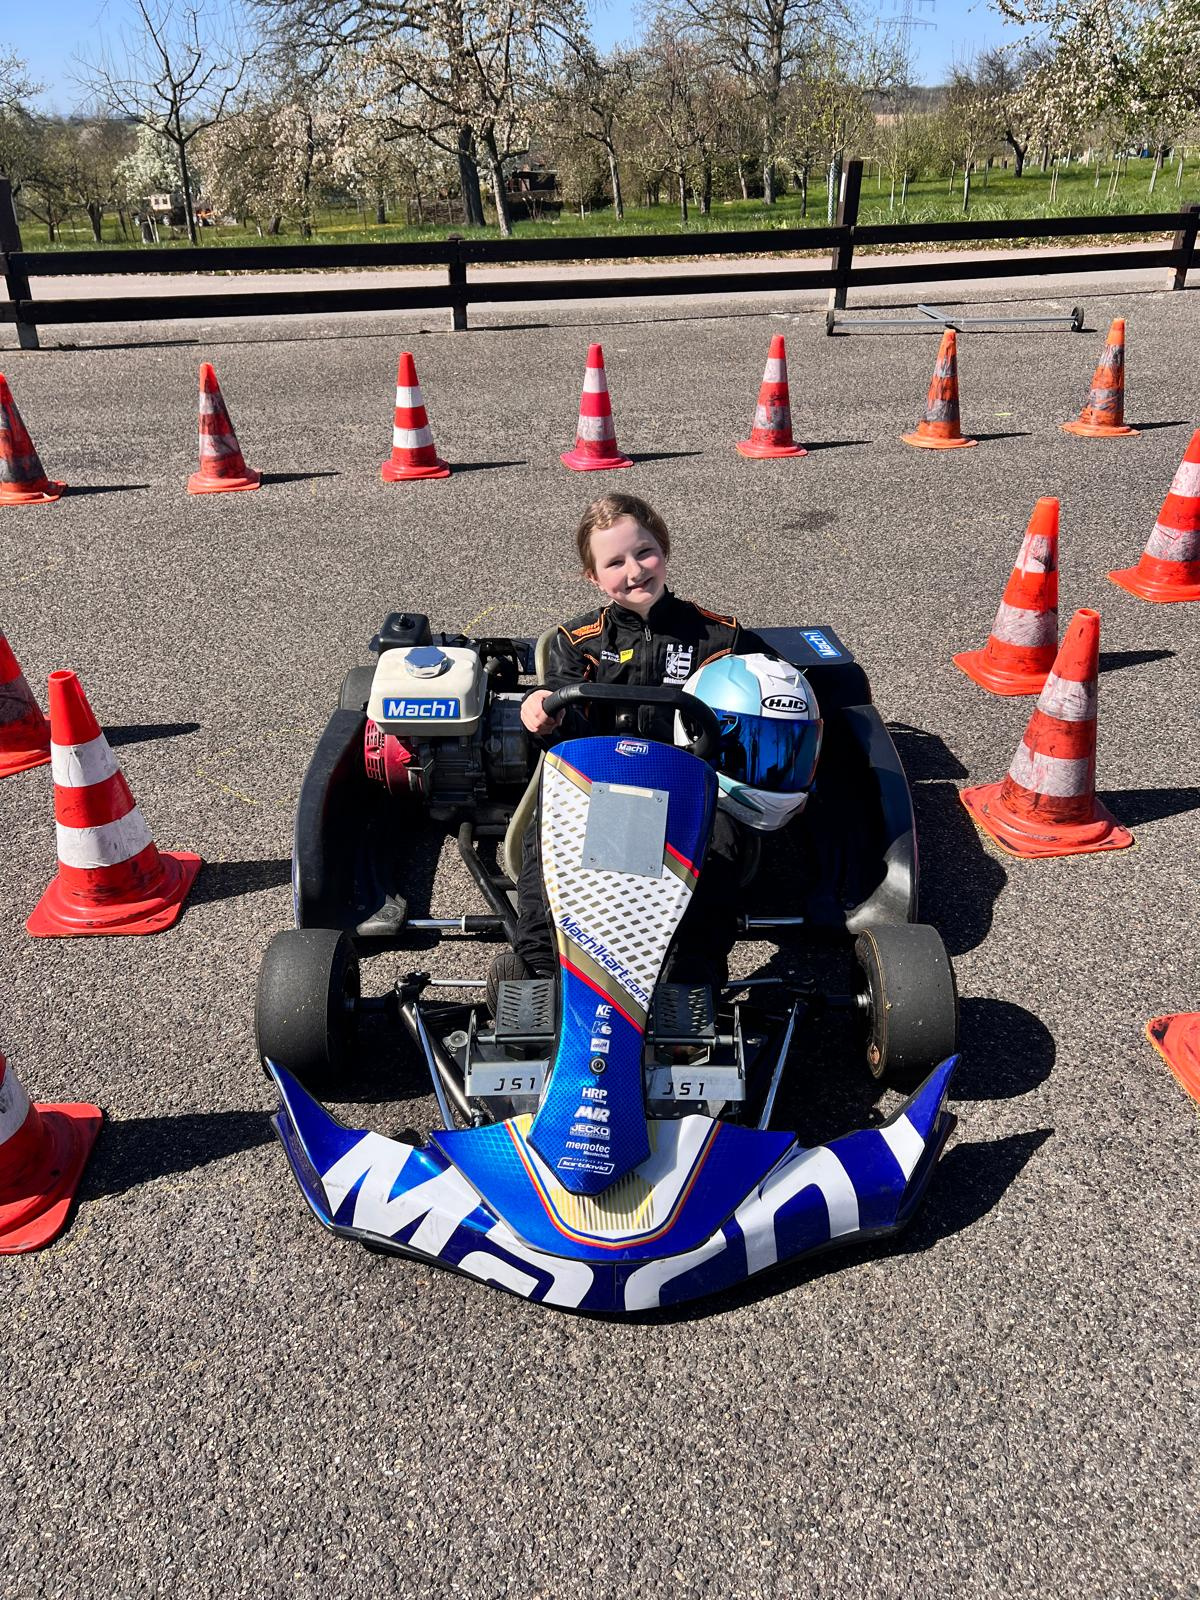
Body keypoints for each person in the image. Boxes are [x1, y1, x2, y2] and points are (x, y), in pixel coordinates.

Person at [493, 492, 772, 1003]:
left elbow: (775, 694)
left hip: (688, 790)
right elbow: (560, 716)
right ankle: (538, 969)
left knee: (720, 842)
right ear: (593, 576)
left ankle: (691, 978)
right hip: (598, 789)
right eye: (615, 562)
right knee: (545, 834)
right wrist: (540, 706)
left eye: (644, 552)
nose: (635, 570)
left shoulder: (721, 637)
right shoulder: (577, 642)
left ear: (663, 550)